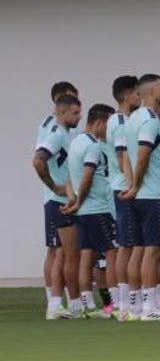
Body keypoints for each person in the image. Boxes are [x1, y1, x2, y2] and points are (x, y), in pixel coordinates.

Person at [123, 74, 160, 321]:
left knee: (145, 249)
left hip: (143, 194)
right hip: (153, 194)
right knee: (152, 250)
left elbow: (125, 156)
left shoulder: (133, 119)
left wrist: (131, 185)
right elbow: (143, 155)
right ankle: (149, 308)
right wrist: (136, 185)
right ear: (149, 91)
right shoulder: (149, 121)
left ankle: (137, 307)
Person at [33, 92, 83, 319]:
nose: (79, 116)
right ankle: (65, 304)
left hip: (65, 200)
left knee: (64, 253)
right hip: (59, 202)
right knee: (66, 254)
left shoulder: (66, 133)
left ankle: (59, 304)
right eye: (75, 112)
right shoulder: (55, 134)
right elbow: (38, 159)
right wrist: (55, 187)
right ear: (61, 111)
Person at [65, 103, 117, 319]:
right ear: (100, 123)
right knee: (113, 252)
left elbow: (70, 177)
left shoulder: (75, 142)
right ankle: (117, 303)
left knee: (87, 254)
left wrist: (73, 200)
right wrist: (79, 201)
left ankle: (86, 305)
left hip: (84, 210)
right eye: (109, 126)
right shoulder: (93, 146)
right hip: (97, 207)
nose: (109, 132)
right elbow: (86, 177)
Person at [106, 76, 140, 320]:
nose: (140, 97)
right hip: (123, 190)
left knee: (128, 245)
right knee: (127, 246)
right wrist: (132, 186)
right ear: (128, 96)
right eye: (137, 93)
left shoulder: (124, 120)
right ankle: (124, 303)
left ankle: (126, 301)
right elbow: (121, 156)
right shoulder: (119, 122)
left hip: (123, 189)